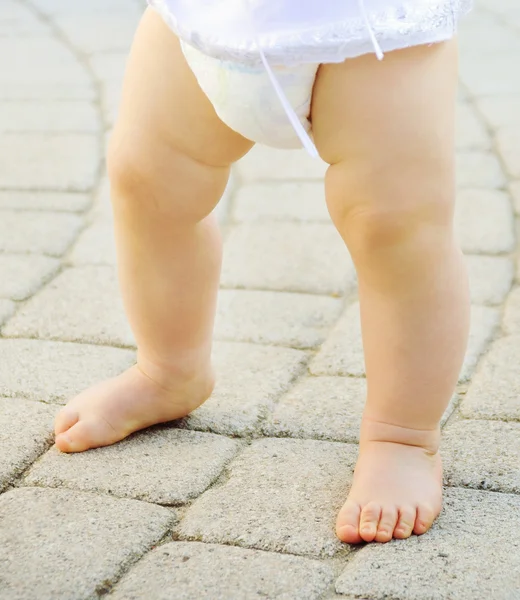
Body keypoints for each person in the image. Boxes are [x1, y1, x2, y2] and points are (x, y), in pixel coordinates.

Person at [53, 0, 472, 545]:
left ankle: (402, 435)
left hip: (374, 32)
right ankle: (168, 371)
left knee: (392, 224)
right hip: (206, 19)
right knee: (148, 178)